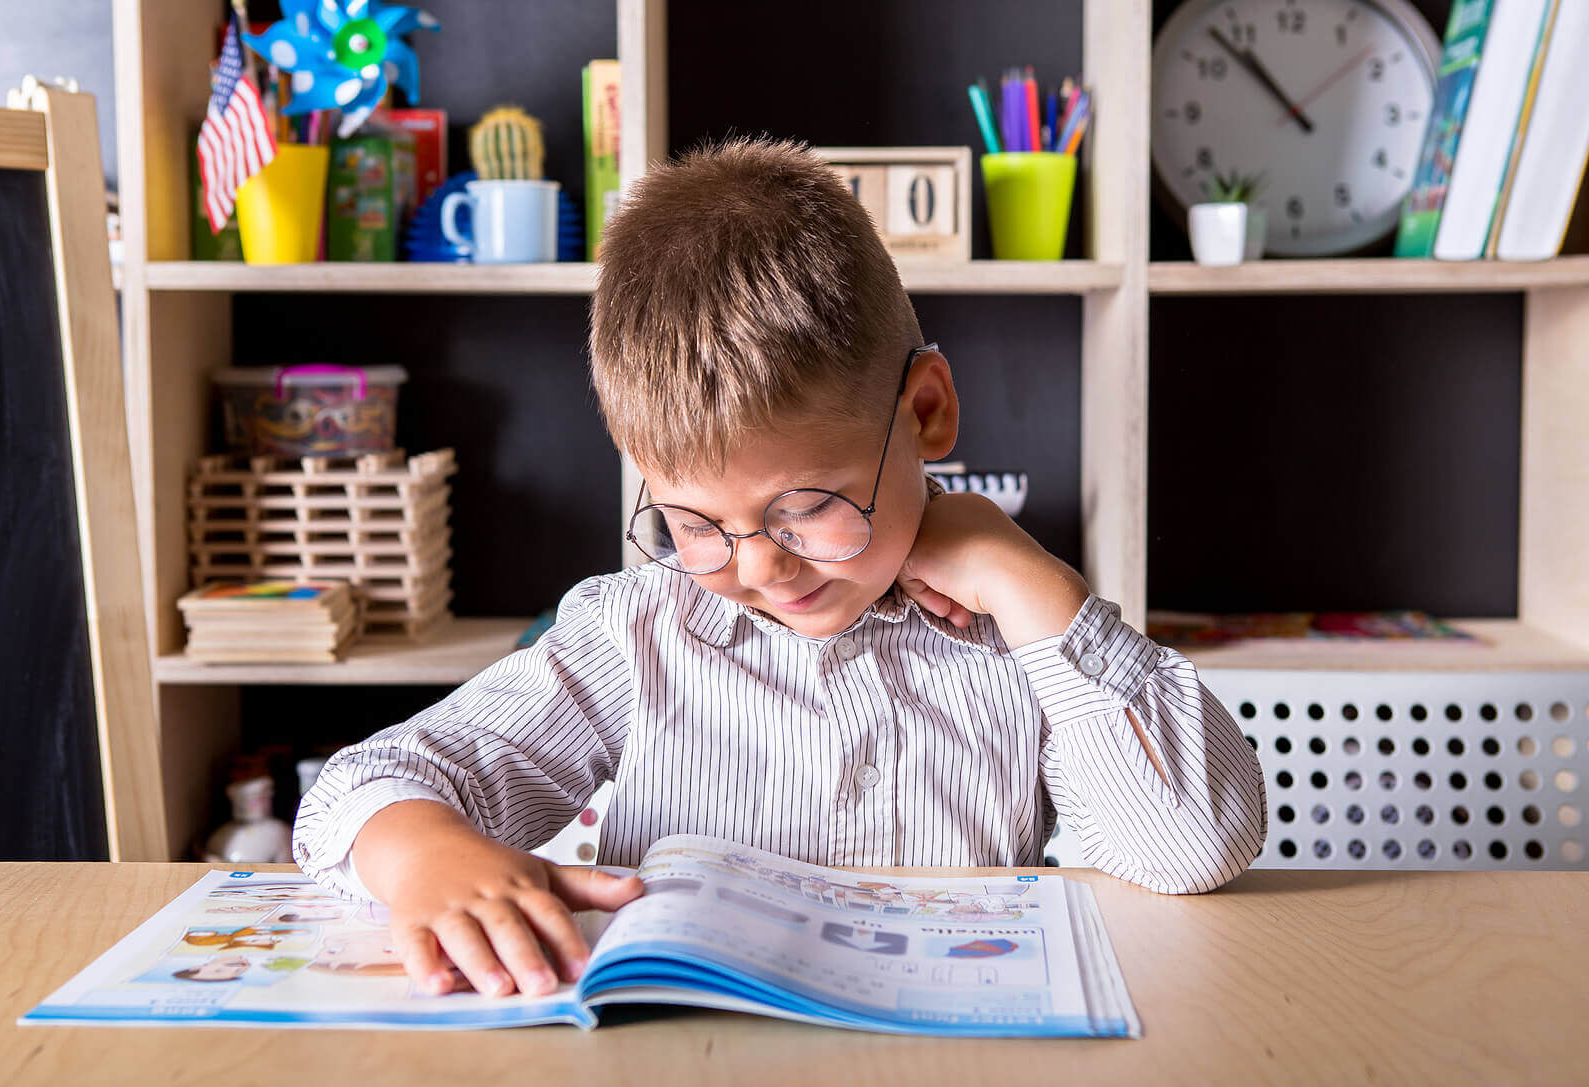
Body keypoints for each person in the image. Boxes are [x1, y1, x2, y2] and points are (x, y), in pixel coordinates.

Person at [294, 135, 1267, 1002]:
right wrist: (423, 852)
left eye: (807, 509)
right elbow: (355, 789)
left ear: (926, 413)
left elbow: (1191, 845)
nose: (757, 563)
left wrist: (1028, 581)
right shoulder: (634, 634)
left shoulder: (1020, 645)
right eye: (692, 523)